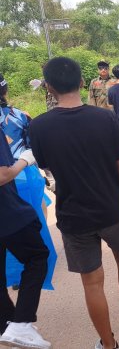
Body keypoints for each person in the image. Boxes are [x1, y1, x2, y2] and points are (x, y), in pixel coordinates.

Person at [29, 56, 119, 349]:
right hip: (110, 208)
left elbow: (47, 166)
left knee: (92, 281)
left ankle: (108, 344)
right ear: (82, 82)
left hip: (73, 216)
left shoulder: (39, 127)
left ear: (48, 87)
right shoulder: (105, 118)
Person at [0, 131, 51, 349]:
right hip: (7, 213)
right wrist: (25, 159)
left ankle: (8, 324)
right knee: (37, 257)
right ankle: (20, 323)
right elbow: (3, 175)